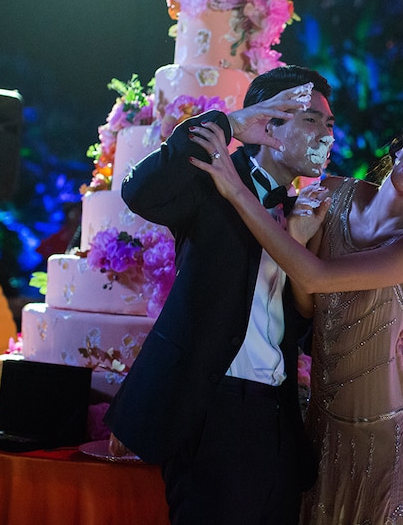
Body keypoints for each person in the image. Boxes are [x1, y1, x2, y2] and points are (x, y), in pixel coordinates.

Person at [188, 114, 403, 524]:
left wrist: (237, 193)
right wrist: (296, 236)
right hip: (323, 429)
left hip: (389, 437)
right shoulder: (330, 192)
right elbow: (310, 306)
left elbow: (315, 275)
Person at [105, 65, 335, 525]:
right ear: (270, 123)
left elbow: (304, 330)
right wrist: (229, 124)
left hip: (278, 418)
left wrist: (297, 242)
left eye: (330, 124)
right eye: (311, 119)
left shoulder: (308, 216)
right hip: (211, 409)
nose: (326, 135)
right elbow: (140, 191)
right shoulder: (216, 183)